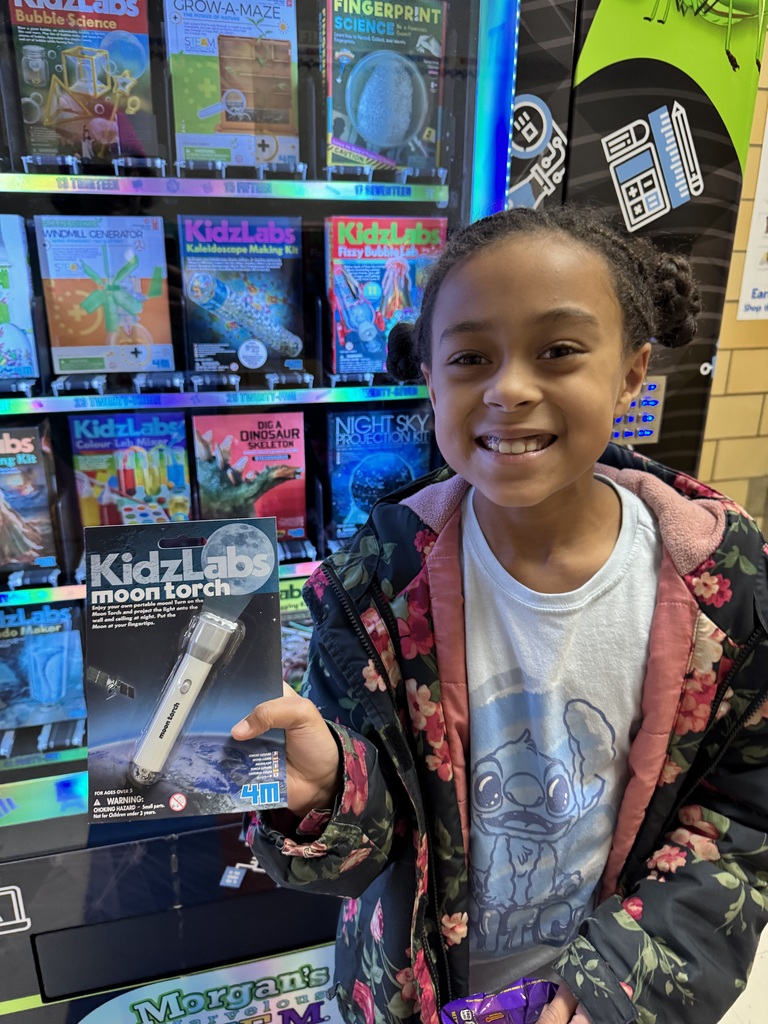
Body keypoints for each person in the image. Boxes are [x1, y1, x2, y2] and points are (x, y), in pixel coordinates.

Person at [233, 206, 768, 1024]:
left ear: (632, 371)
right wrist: (330, 788)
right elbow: (368, 845)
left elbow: (737, 818)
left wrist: (625, 983)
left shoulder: (724, 586)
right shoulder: (374, 586)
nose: (509, 388)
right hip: (411, 995)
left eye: (558, 351)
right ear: (433, 380)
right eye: (471, 358)